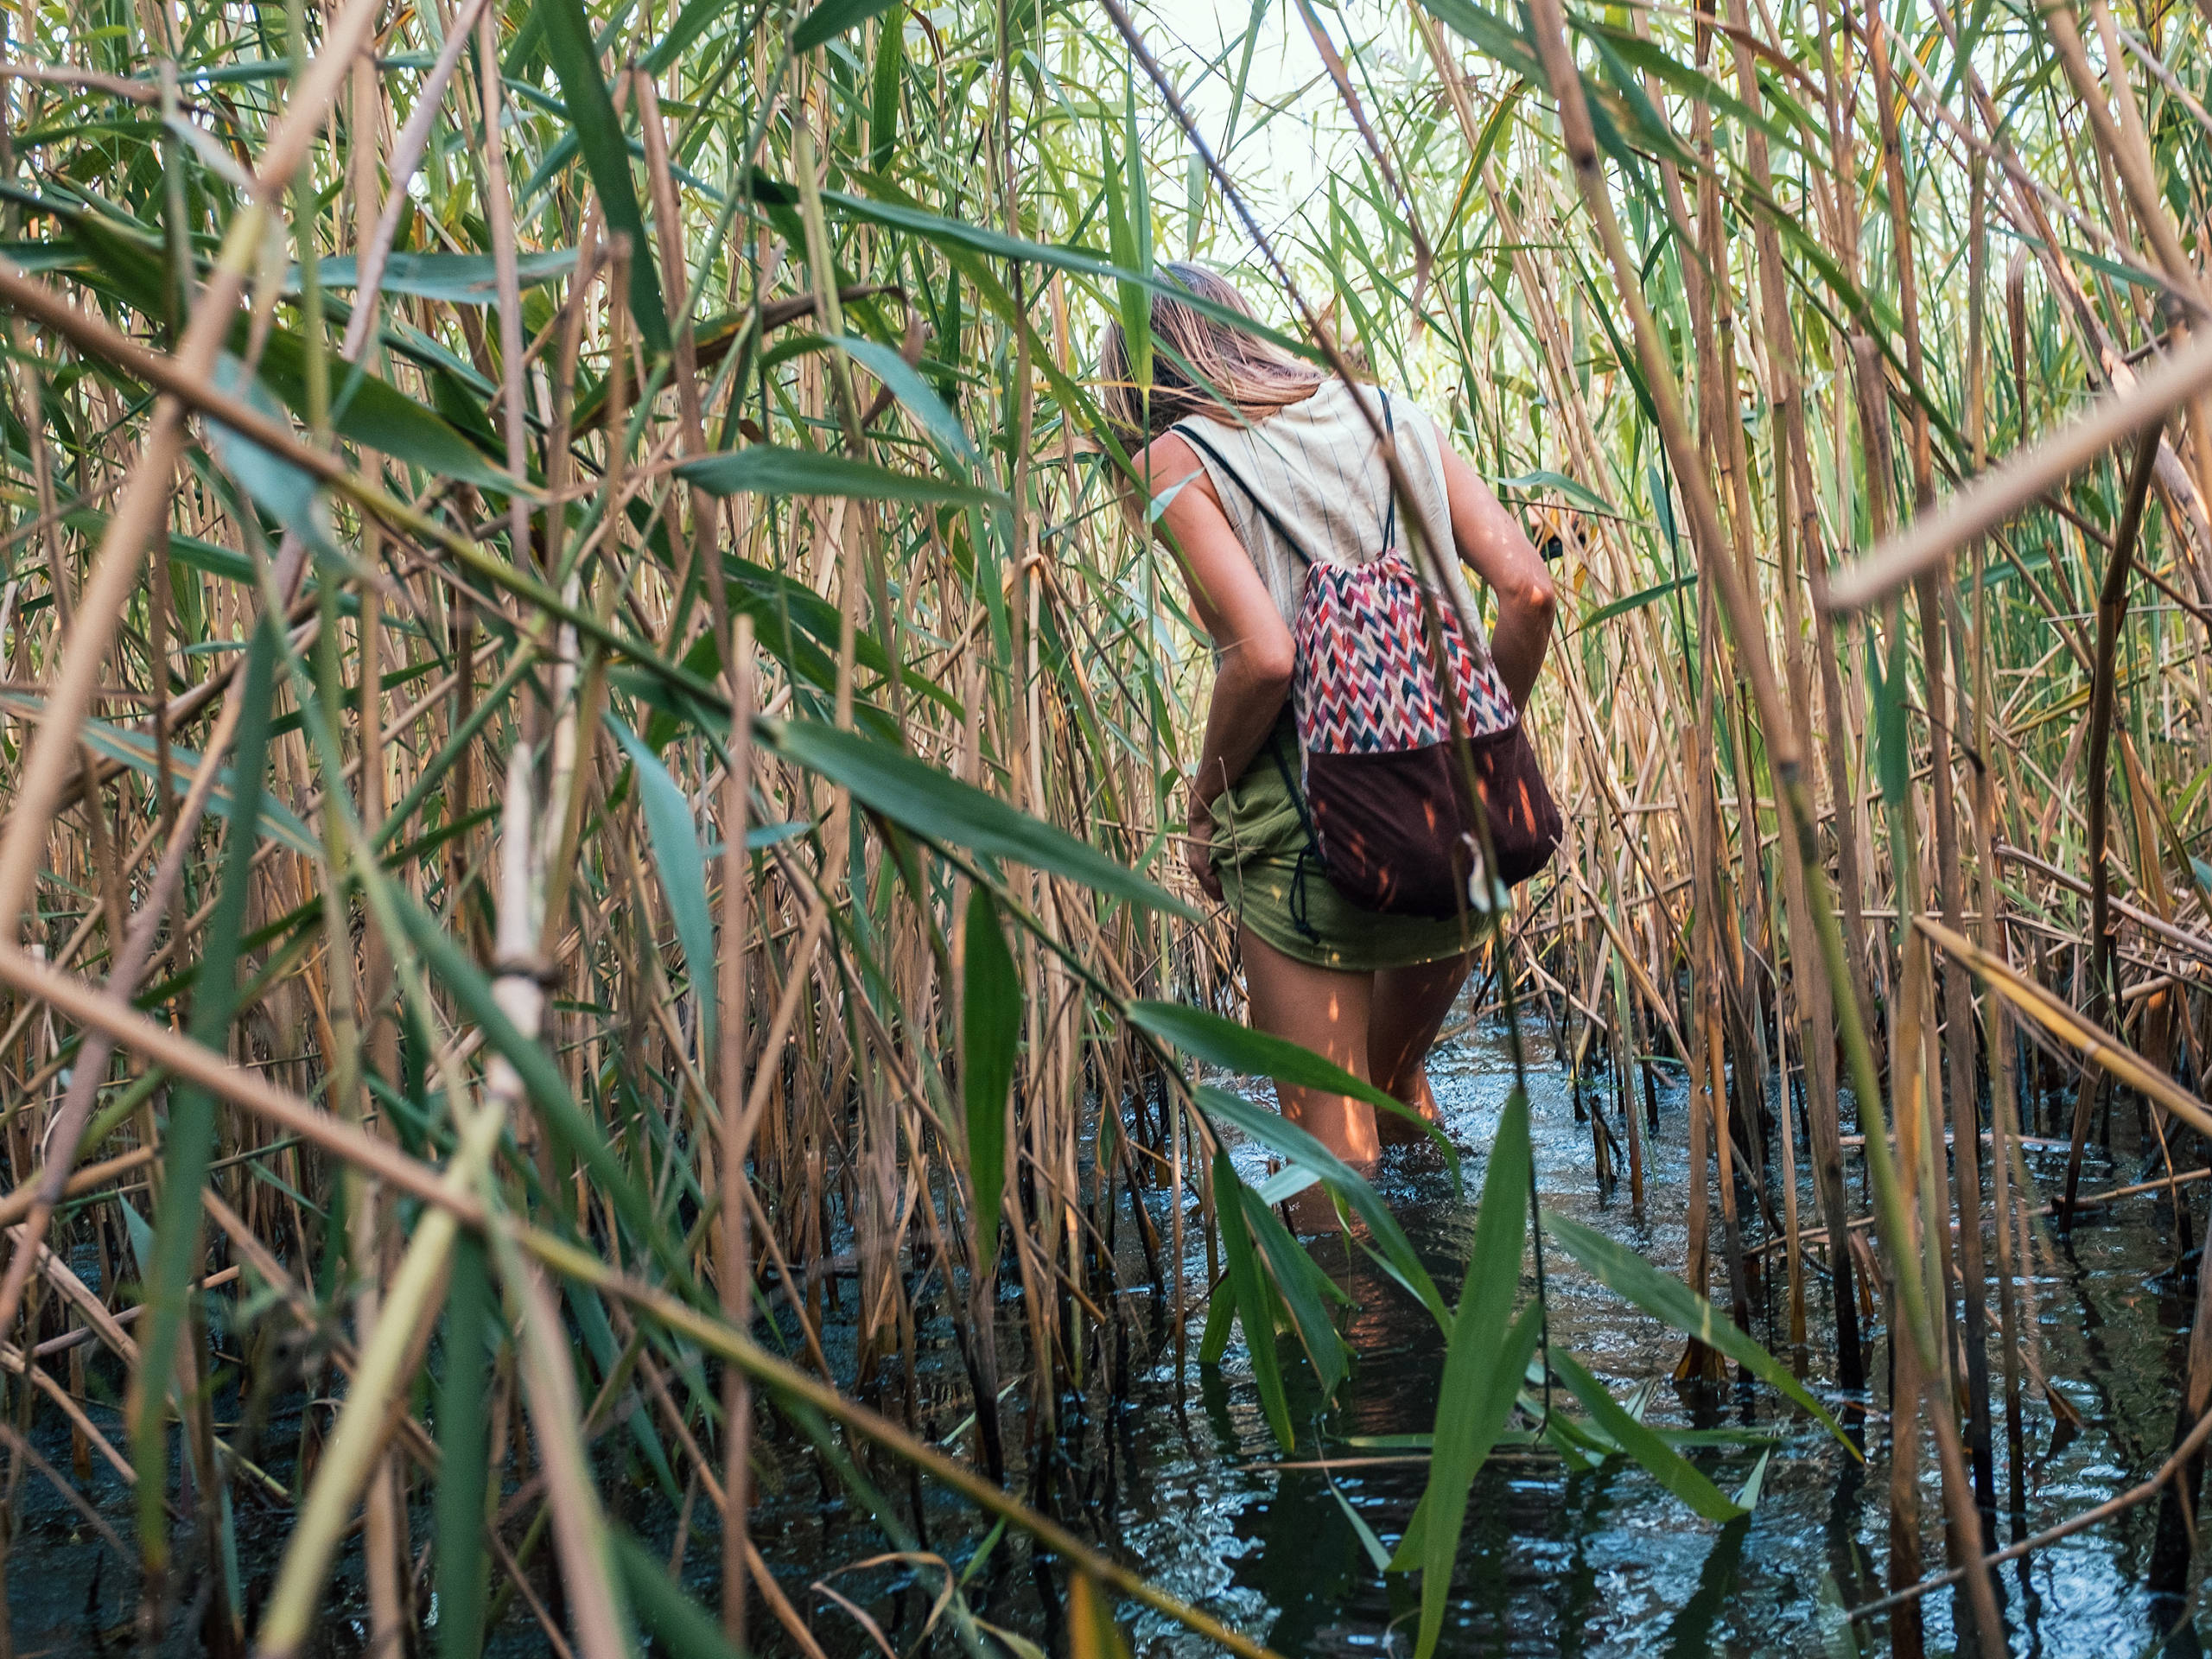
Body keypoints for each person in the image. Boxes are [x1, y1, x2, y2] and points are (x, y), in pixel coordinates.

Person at [1101, 263, 1558, 1170]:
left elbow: (1265, 657)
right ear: (1239, 328)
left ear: (1138, 378)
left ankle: (1365, 1319)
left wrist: (1203, 809)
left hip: (1306, 834)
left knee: (1333, 1165)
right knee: (1395, 1094)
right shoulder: (1396, 417)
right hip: (1452, 835)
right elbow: (1530, 592)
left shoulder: (1173, 458)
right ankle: (1461, 1289)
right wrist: (1466, 752)